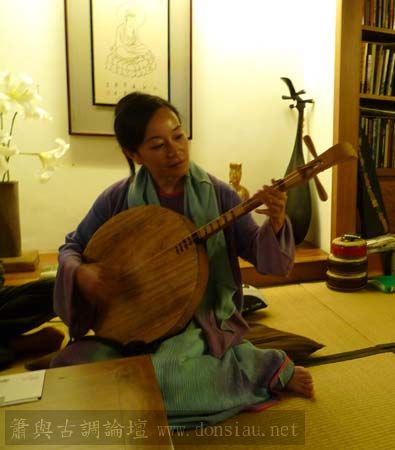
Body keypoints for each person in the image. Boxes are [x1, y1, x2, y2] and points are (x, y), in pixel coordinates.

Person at [51, 92, 313, 426]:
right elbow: (72, 246)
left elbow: (260, 254)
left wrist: (274, 223)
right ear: (134, 154)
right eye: (158, 145)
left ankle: (262, 367)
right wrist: (81, 272)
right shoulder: (117, 198)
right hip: (131, 323)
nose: (175, 150)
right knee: (69, 369)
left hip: (195, 322)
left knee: (165, 379)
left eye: (178, 136)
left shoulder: (217, 194)